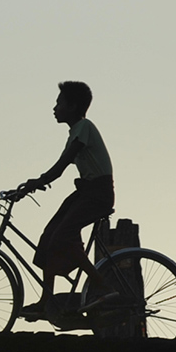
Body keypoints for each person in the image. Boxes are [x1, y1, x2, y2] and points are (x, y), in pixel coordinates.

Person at [14, 81, 113, 322]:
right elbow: (60, 166)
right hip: (86, 192)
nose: (55, 107)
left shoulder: (84, 128)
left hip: (97, 194)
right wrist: (33, 184)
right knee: (50, 237)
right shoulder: (76, 132)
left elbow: (59, 168)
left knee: (62, 237)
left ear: (74, 106)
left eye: (60, 102)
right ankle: (45, 303)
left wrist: (34, 184)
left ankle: (103, 287)